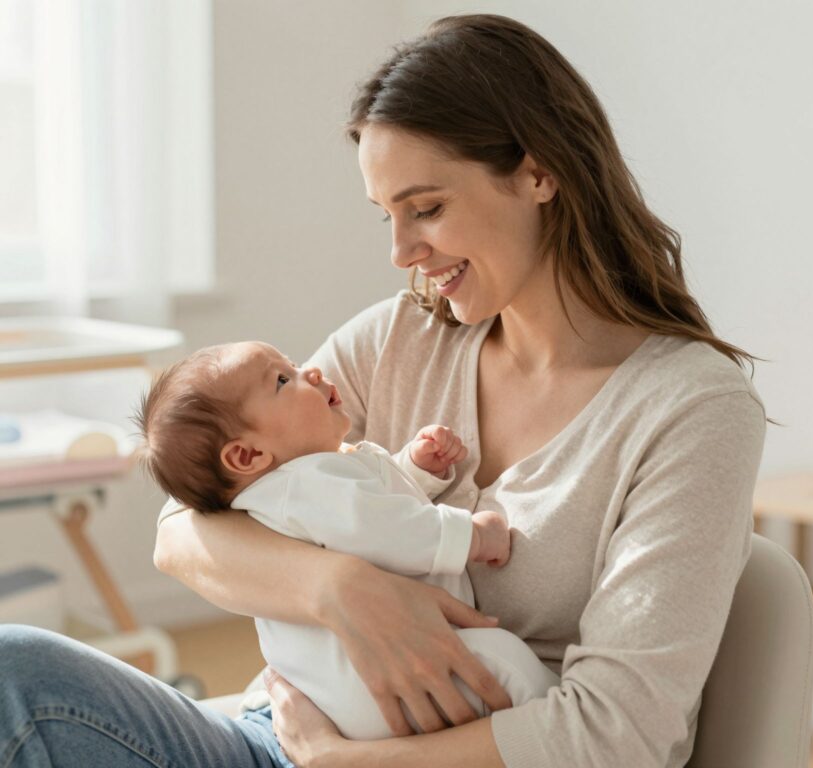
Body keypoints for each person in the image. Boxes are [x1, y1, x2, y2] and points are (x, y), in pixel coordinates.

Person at [0, 13, 766, 768]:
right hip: (285, 739)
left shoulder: (690, 408)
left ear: (539, 173)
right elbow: (182, 529)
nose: (401, 252)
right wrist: (339, 588)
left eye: (426, 208)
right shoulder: (400, 338)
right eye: (387, 216)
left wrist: (343, 763)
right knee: (15, 670)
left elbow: (621, 735)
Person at [133, 340, 558, 739]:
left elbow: (370, 510)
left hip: (331, 693)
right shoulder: (307, 485)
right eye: (282, 380)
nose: (312, 372)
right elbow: (390, 531)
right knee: (506, 659)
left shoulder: (299, 485)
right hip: (374, 685)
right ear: (247, 455)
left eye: (293, 365)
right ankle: (563, 726)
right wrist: (473, 536)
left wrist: (415, 470)